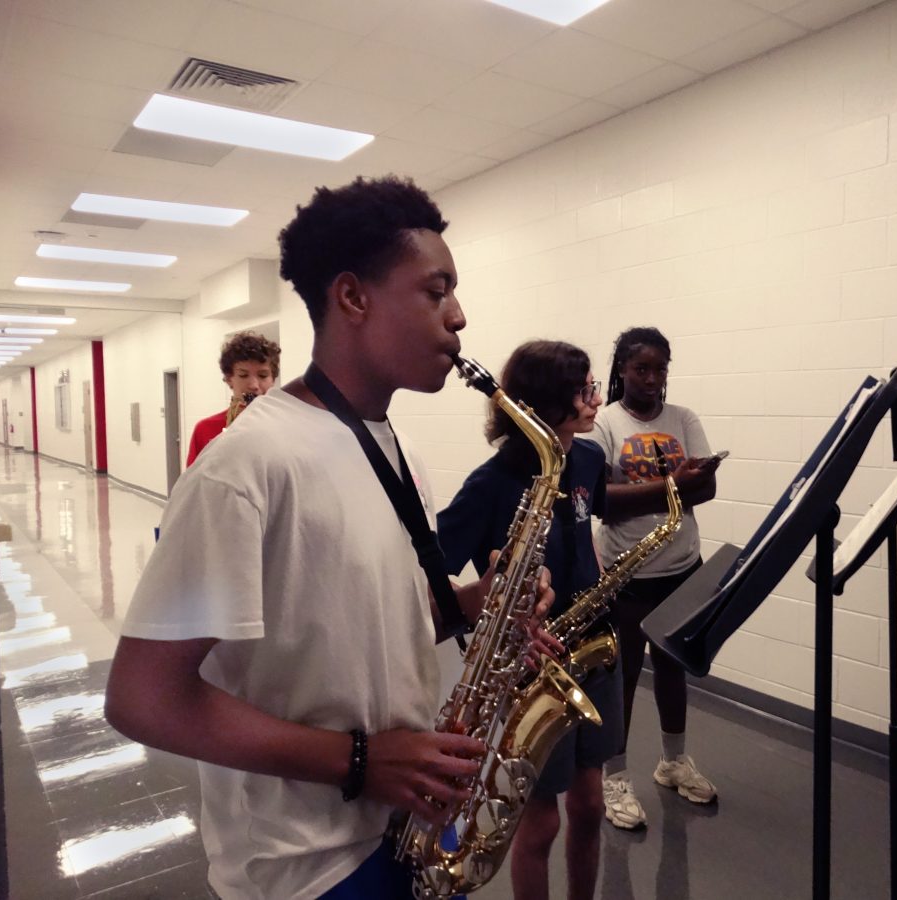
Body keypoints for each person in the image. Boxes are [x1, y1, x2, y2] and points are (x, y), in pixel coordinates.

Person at [104, 176, 530, 899]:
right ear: (353, 297)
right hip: (306, 868)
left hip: (407, 827)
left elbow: (367, 627)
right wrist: (360, 761)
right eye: (436, 291)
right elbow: (143, 698)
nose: (459, 316)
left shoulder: (396, 448)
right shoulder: (246, 465)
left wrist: (476, 603)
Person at [437, 340, 618, 900]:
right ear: (547, 401)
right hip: (531, 666)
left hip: (589, 645)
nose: (597, 399)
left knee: (590, 805)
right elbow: (430, 573)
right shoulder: (489, 483)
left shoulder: (586, 457)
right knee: (540, 824)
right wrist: (493, 617)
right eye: (585, 389)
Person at [591, 326, 722, 830]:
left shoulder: (683, 418)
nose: (651, 378)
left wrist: (675, 487)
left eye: (660, 369)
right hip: (627, 570)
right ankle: (615, 777)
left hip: (681, 566)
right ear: (622, 369)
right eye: (641, 368)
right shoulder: (604, 423)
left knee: (672, 668)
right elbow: (600, 498)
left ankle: (672, 762)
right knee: (620, 676)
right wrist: (674, 485)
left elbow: (706, 490)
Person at [186, 330, 281, 466]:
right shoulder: (205, 429)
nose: (254, 385)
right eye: (243, 375)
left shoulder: (286, 428)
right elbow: (194, 485)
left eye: (263, 375)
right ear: (229, 379)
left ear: (273, 379)